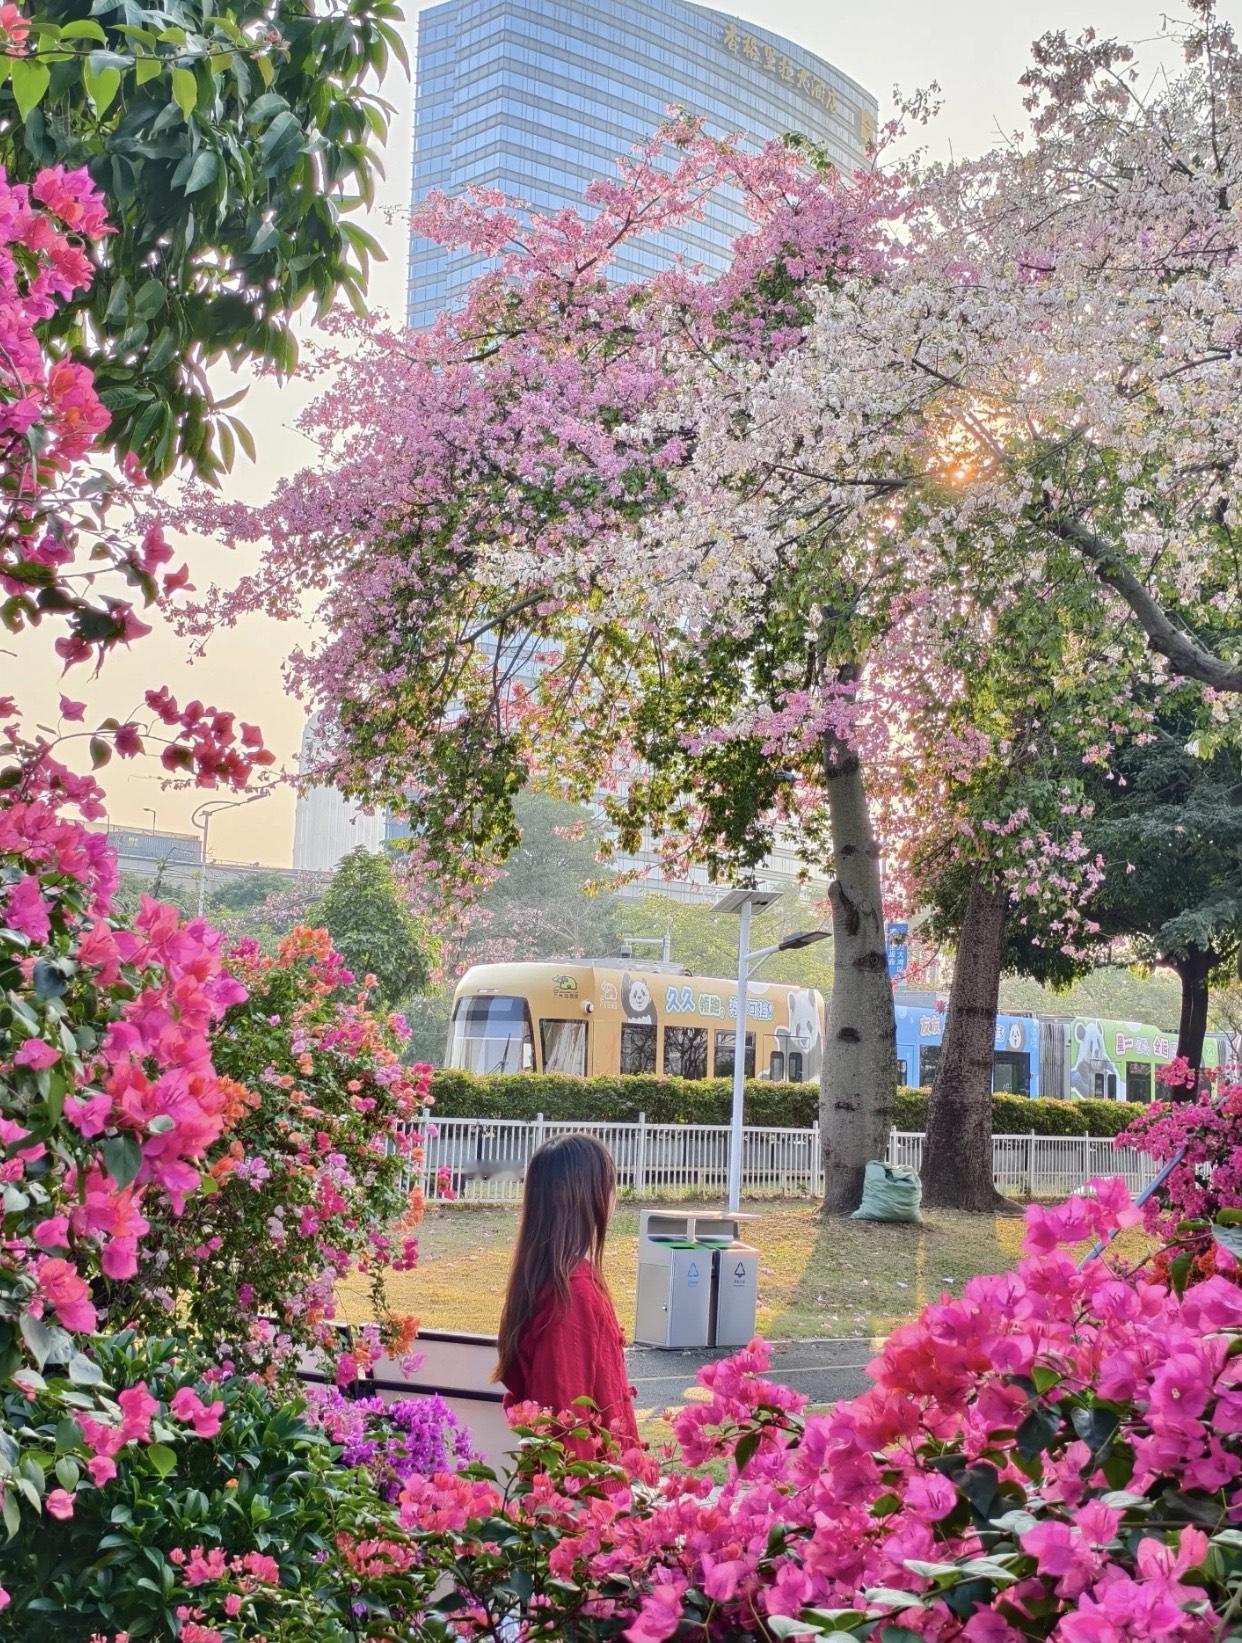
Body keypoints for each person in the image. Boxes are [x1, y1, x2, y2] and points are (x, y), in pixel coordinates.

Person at [495, 1133, 639, 1450]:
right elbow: (565, 1422)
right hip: (590, 1491)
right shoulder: (571, 1297)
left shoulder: (552, 1282)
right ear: (589, 1197)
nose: (615, 1195)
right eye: (610, 1184)